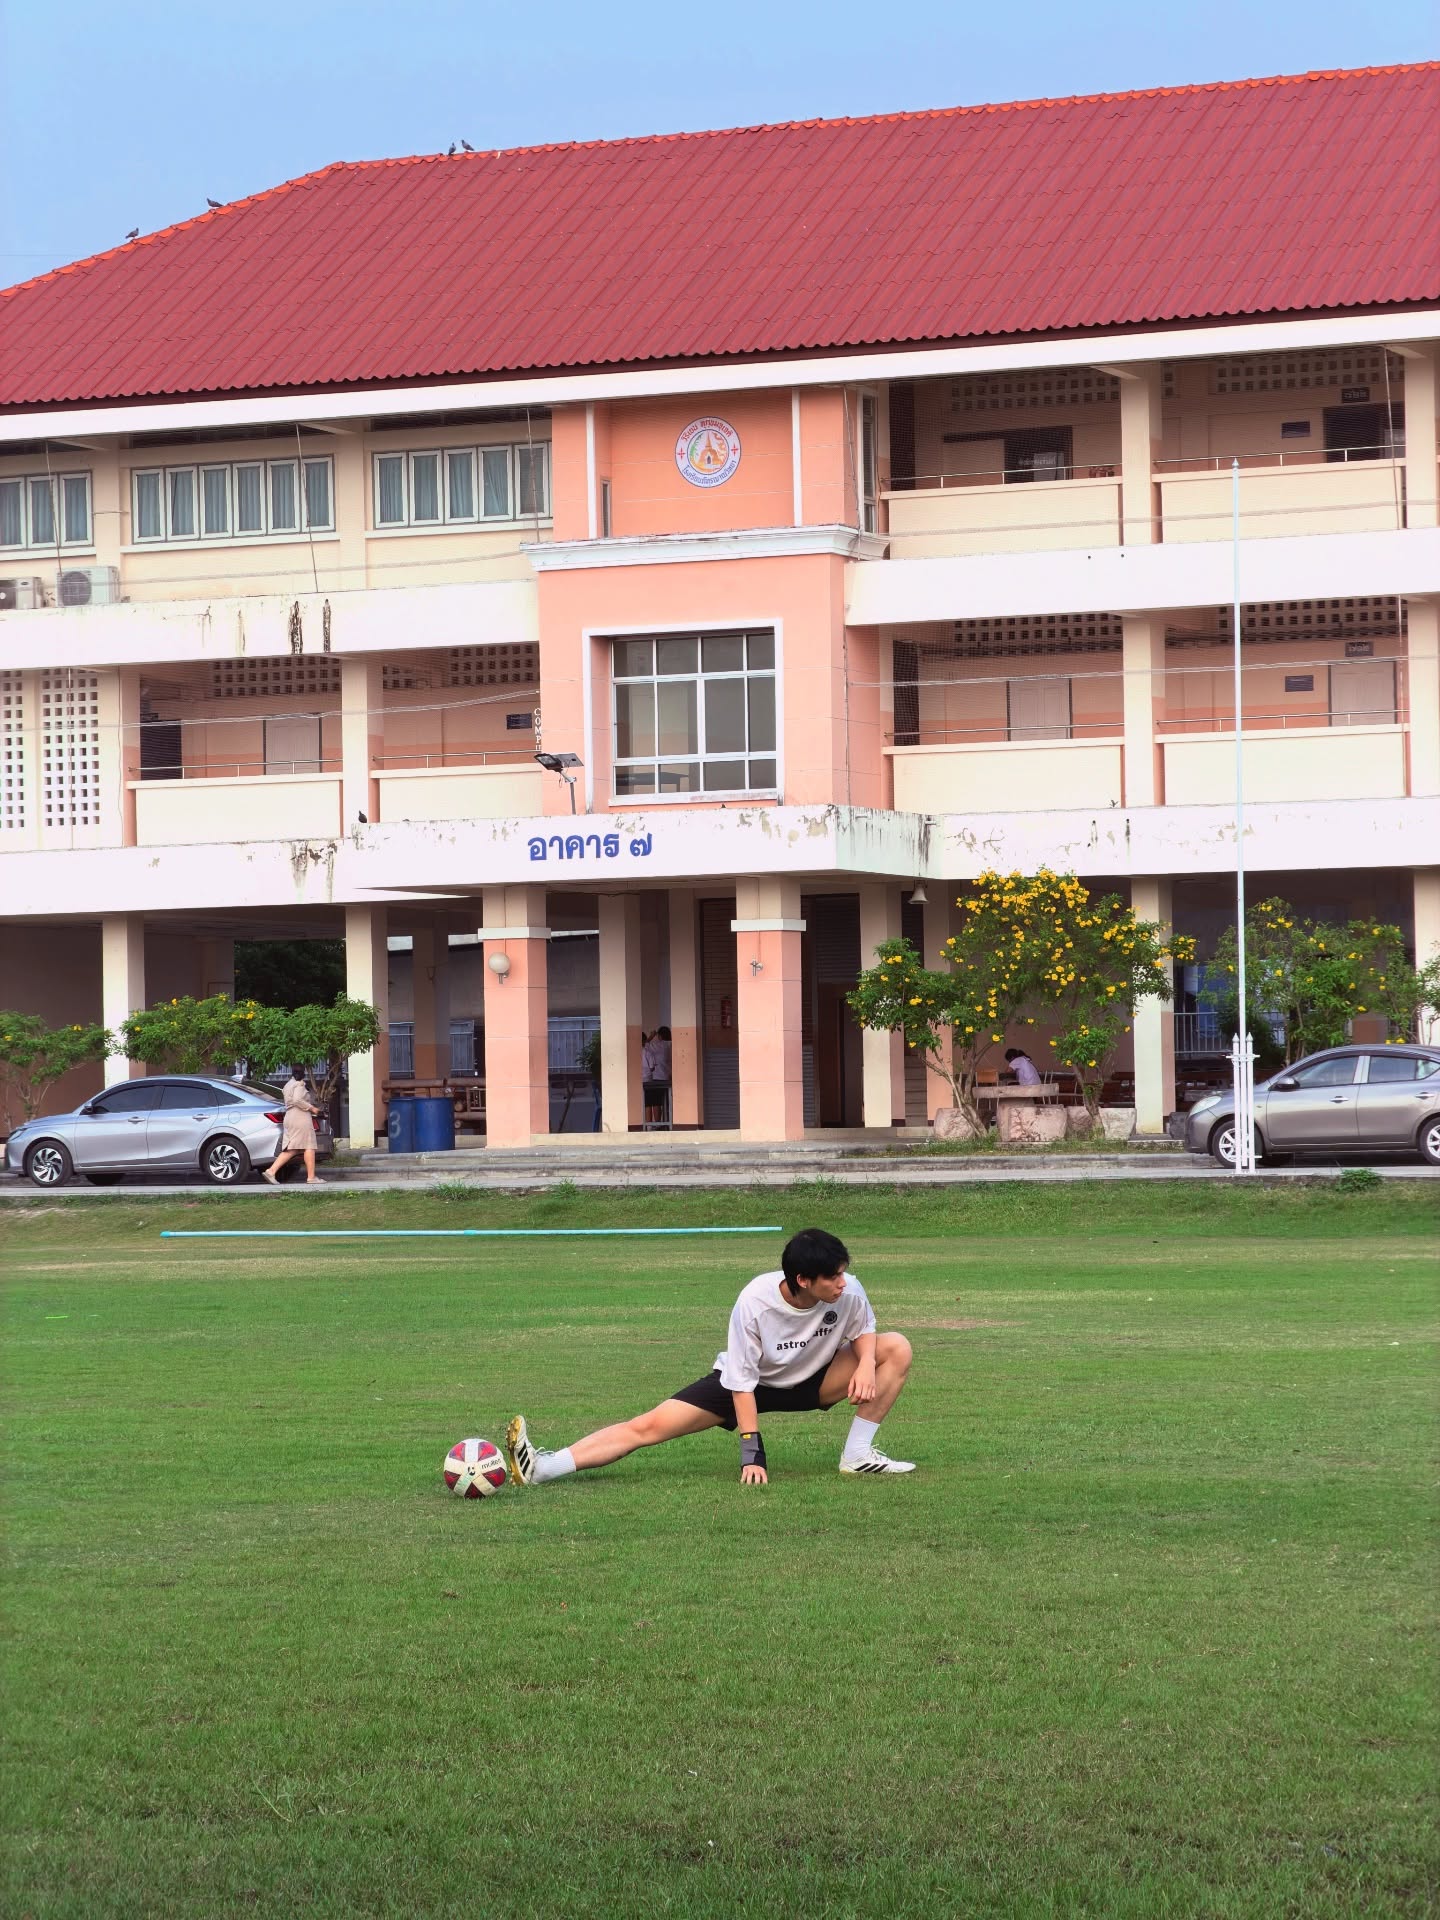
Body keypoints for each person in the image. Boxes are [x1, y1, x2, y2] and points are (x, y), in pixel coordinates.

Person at [504, 1228, 915, 1487]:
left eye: (844, 1273)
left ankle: (858, 1457)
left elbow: (864, 1329)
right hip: (748, 1385)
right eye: (833, 1277)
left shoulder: (849, 1290)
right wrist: (752, 1452)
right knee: (646, 1426)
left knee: (896, 1346)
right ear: (803, 1280)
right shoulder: (755, 1301)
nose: (843, 1283)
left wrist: (863, 1364)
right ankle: (543, 1468)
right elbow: (740, 1380)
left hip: (816, 1380)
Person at [261, 1073, 324, 1185]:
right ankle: (311, 1177)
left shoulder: (288, 1085)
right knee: (309, 1145)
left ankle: (271, 1171)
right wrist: (313, 1109)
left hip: (289, 1116)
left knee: (292, 1148)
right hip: (300, 1117)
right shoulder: (299, 1085)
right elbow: (297, 1100)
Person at [641, 1024, 672, 1124]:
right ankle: (663, 1122)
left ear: (660, 1036)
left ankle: (653, 1124)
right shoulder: (670, 1044)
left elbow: (643, 1045)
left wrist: (651, 1036)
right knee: (664, 1102)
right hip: (666, 1078)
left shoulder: (655, 1045)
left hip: (654, 1079)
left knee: (653, 1103)